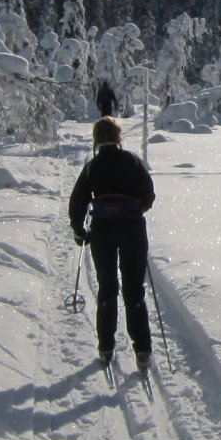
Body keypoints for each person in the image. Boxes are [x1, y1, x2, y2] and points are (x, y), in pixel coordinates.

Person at [69, 116, 155, 371]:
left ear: (96, 139)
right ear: (119, 136)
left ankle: (106, 346)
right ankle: (142, 349)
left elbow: (77, 202)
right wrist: (137, 208)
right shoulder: (132, 161)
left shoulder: (92, 166)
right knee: (134, 290)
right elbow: (148, 195)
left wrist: (79, 231)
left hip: (102, 231)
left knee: (107, 288)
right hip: (132, 229)